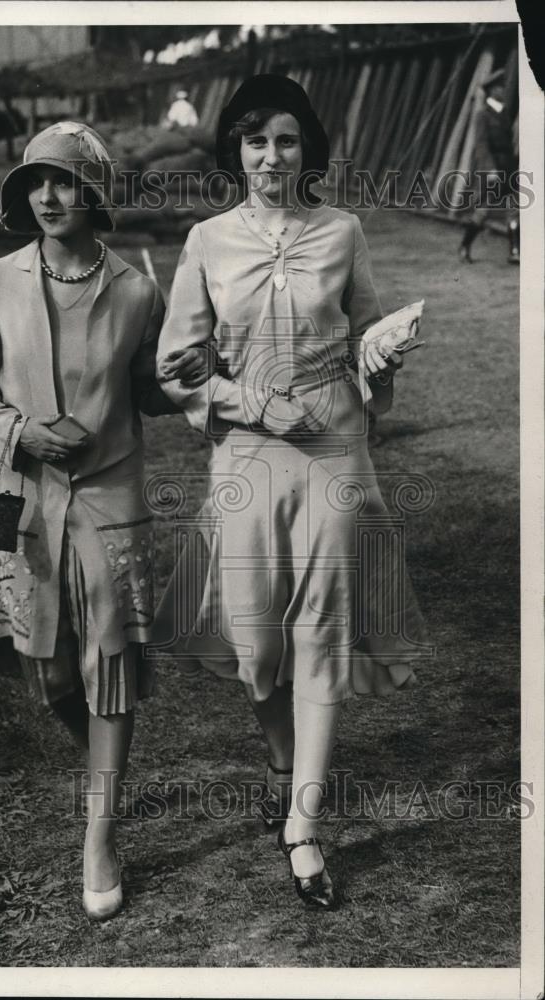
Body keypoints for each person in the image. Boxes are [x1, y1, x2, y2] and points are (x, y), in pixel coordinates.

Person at [154, 75, 428, 909]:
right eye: (254, 142)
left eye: (285, 140)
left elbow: (368, 342)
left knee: (321, 633)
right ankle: (282, 764)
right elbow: (179, 368)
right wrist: (246, 401)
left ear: (306, 147)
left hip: (334, 455)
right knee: (256, 644)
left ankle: (304, 823)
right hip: (246, 456)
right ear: (233, 152)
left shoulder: (343, 231)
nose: (271, 158)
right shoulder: (206, 241)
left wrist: (381, 360)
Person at [0, 121, 208, 921]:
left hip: (110, 502)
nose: (48, 197)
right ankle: (110, 774)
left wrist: (183, 374)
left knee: (109, 665)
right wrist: (20, 432)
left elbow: (146, 393)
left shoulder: (137, 290)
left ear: (94, 192)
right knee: (54, 675)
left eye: (64, 182)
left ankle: (100, 831)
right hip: (27, 498)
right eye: (35, 183)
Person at [458, 67, 519, 264]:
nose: (502, 90)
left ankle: (514, 251)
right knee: (484, 210)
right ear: (492, 91)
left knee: (514, 208)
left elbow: (509, 143)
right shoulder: (482, 115)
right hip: (493, 168)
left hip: (508, 166)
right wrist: (490, 169)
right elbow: (481, 145)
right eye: (499, 87)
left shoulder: (504, 114)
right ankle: (465, 246)